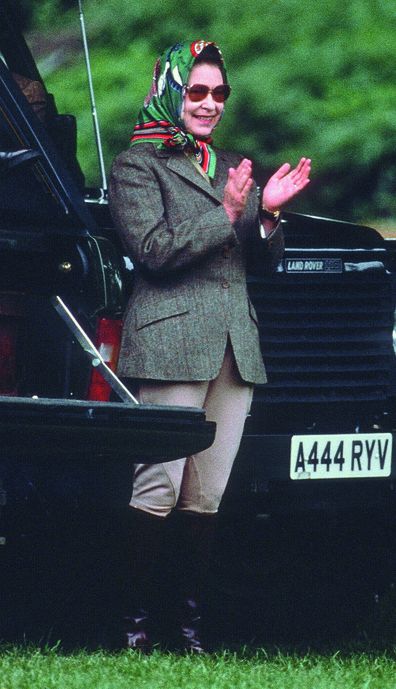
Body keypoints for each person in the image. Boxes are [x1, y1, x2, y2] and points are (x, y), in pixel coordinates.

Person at [109, 39, 311, 653]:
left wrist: (266, 217)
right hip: (171, 339)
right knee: (159, 487)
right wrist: (227, 213)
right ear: (172, 90)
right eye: (197, 90)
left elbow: (257, 260)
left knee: (207, 494)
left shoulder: (227, 166)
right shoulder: (136, 165)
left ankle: (187, 631)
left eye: (219, 93)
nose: (210, 103)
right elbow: (153, 250)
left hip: (232, 347)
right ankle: (133, 630)